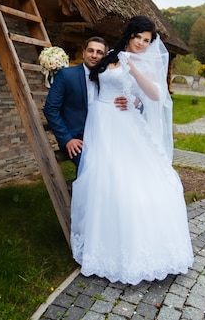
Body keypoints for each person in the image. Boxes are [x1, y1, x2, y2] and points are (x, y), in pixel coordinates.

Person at [70, 15, 194, 285]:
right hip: (100, 121)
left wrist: (134, 75)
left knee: (123, 178)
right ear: (130, 34)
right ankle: (99, 240)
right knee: (100, 177)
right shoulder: (113, 53)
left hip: (120, 124)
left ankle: (132, 249)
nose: (141, 43)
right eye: (138, 37)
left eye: (147, 40)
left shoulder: (143, 62)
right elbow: (96, 76)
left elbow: (156, 94)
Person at [43, 37, 128, 167]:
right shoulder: (66, 75)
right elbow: (50, 109)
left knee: (121, 163)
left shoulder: (106, 79)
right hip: (77, 139)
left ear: (105, 56)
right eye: (90, 51)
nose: (94, 55)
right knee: (92, 166)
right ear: (83, 52)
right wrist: (67, 139)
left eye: (99, 52)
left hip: (102, 136)